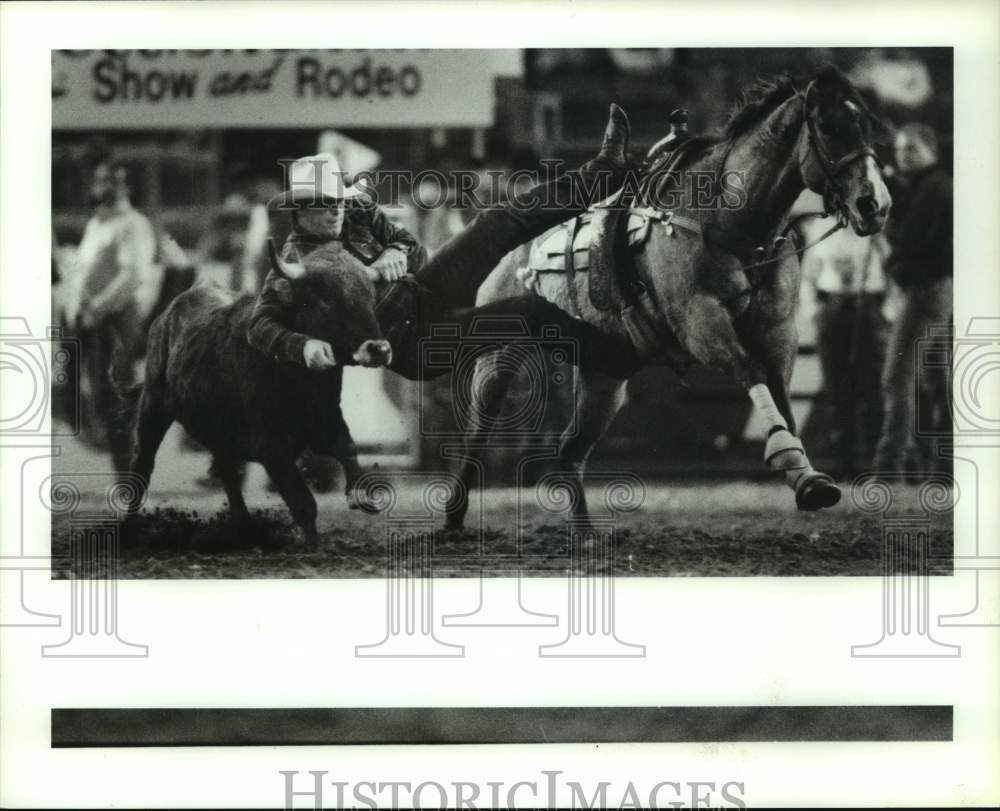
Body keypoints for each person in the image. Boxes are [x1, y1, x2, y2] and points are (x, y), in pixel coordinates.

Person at [248, 104, 633, 382]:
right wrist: (301, 346)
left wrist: (394, 252)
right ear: (298, 212)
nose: (334, 211)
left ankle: (602, 173)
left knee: (496, 220)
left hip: (426, 287)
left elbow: (411, 247)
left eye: (337, 201)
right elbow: (260, 324)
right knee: (527, 312)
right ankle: (622, 358)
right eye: (321, 205)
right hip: (412, 343)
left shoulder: (358, 210)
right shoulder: (295, 263)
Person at [63, 159, 158, 453]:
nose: (104, 187)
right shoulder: (96, 223)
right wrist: (78, 305)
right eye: (100, 181)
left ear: (126, 187)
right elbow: (84, 271)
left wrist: (99, 308)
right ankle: (103, 441)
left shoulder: (134, 224)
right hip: (85, 316)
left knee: (114, 394)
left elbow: (133, 276)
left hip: (115, 317)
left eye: (112, 182)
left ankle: (128, 473)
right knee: (72, 391)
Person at [873, 123, 953, 474]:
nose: (902, 156)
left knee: (898, 376)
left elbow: (915, 245)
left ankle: (890, 465)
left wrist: (897, 262)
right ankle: (942, 464)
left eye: (911, 149)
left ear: (929, 152)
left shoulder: (934, 191)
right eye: (900, 149)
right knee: (936, 382)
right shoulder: (930, 188)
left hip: (924, 290)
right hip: (934, 290)